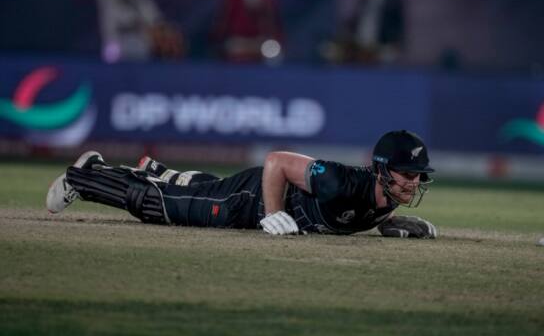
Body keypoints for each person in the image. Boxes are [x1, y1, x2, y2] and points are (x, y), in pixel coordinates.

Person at [46, 130, 438, 238]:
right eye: (405, 174)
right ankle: (85, 174)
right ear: (382, 169)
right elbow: (277, 162)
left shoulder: (388, 198)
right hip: (251, 200)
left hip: (254, 205)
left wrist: (387, 225)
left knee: (195, 189)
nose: (412, 183)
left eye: (418, 176)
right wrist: (274, 212)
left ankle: (158, 169)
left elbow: (361, 214)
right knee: (162, 207)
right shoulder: (339, 180)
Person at [211, 0, 284, 63]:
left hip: (260, 41)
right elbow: (224, 21)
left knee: (273, 52)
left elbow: (273, 23)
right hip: (238, 41)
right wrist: (218, 40)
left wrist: (277, 40)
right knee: (232, 49)